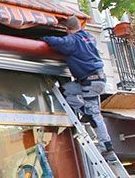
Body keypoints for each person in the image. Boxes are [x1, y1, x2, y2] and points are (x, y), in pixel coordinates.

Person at [41, 16, 117, 161]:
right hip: (94, 80)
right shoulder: (89, 37)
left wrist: (43, 38)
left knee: (95, 116)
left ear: (67, 29)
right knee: (65, 91)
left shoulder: (73, 40)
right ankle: (85, 111)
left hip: (90, 82)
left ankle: (108, 149)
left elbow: (58, 42)